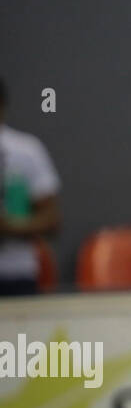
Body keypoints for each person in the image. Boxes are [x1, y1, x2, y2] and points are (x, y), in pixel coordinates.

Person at [0, 77, 61, 295]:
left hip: (15, 275)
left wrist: (10, 227)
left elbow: (51, 220)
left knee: (18, 330)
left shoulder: (26, 151)